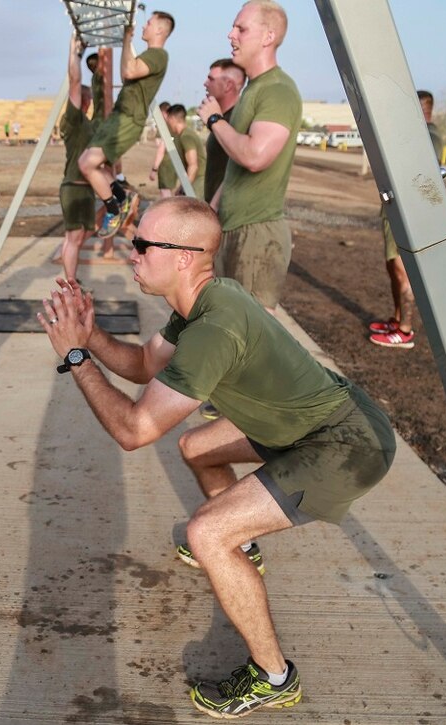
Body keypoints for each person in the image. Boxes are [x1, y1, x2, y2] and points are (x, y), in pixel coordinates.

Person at [37, 196, 395, 717]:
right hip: (306, 421)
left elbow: (135, 431)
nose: (130, 252)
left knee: (207, 532)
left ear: (184, 257)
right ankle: (242, 547)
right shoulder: (204, 301)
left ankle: (274, 676)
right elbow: (141, 365)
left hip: (344, 444)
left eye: (141, 244)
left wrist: (75, 357)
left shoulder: (212, 328)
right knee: (195, 447)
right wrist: (88, 334)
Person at [197, 0, 301, 313]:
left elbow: (255, 157)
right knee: (228, 328)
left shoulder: (278, 90)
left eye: (241, 28)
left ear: (268, 37)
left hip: (257, 234)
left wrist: (215, 121)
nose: (231, 34)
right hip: (233, 227)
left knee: (253, 340)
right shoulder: (253, 90)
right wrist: (211, 212)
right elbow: (234, 170)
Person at [78, 11, 173, 237]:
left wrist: (127, 39)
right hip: (119, 116)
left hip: (129, 118)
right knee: (94, 166)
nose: (144, 26)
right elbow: (126, 74)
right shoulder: (149, 56)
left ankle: (114, 208)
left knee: (86, 164)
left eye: (148, 23)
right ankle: (122, 198)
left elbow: (129, 70)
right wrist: (125, 42)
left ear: (160, 29)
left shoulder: (159, 55)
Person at [368, 90, 444, 350]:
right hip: (394, 210)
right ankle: (397, 319)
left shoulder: (429, 136)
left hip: (408, 213)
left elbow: (426, 171)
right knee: (393, 267)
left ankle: (405, 331)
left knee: (403, 271)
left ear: (424, 110)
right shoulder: (414, 134)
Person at [58, 34, 97, 282]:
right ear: (83, 100)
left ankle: (70, 277)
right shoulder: (73, 120)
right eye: (89, 98)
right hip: (73, 185)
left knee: (81, 235)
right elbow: (74, 81)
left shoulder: (91, 124)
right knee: (73, 237)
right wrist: (75, 53)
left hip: (89, 188)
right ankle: (71, 283)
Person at [201, 58, 246, 203]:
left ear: (228, 85)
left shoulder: (237, 120)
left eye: (211, 79)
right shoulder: (222, 119)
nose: (205, 83)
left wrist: (214, 206)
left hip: (227, 209)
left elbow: (237, 169)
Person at [164, 103, 206, 198]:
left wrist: (184, 189)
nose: (167, 123)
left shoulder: (186, 136)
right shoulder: (182, 135)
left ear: (173, 119)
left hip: (198, 182)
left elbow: (193, 165)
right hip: (194, 181)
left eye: (168, 119)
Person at [149, 101, 179, 198]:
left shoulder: (165, 127)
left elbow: (161, 149)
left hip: (166, 164)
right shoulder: (174, 126)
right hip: (174, 162)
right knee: (170, 191)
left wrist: (154, 169)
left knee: (165, 193)